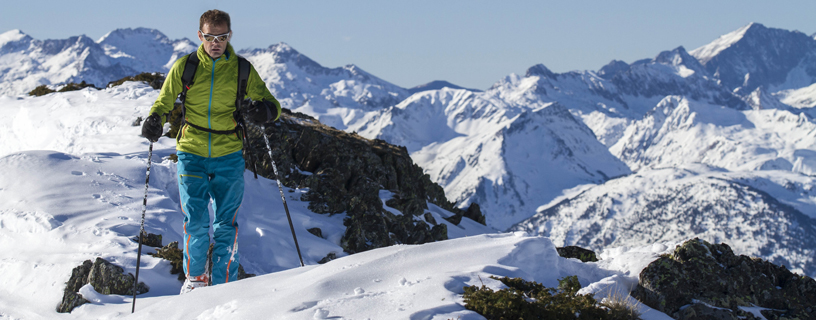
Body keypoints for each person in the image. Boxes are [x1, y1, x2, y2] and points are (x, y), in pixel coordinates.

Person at [141, 9, 281, 294]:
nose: (215, 42)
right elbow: (163, 103)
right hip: (191, 152)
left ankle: (224, 285)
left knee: (225, 224)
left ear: (229, 36)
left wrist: (265, 110)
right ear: (200, 35)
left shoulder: (242, 69)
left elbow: (272, 104)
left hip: (228, 155)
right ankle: (195, 282)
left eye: (221, 37)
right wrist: (154, 120)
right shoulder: (186, 67)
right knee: (196, 222)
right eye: (209, 37)